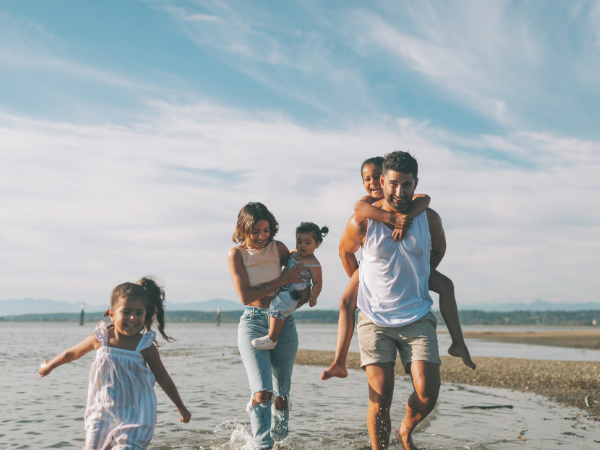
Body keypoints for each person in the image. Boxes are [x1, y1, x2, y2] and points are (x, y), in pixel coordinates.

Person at [328, 151, 464, 450]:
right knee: (381, 398)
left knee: (428, 394)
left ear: (416, 184)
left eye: (406, 184)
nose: (399, 191)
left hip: (417, 315)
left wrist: (419, 273)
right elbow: (344, 251)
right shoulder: (362, 222)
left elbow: (438, 250)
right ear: (381, 181)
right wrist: (365, 280)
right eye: (393, 184)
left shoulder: (428, 218)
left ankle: (405, 430)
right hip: (374, 320)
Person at [322, 156, 475, 382]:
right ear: (385, 181)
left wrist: (421, 272)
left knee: (446, 285)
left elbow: (425, 199)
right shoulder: (365, 205)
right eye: (368, 179)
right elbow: (357, 211)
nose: (373, 183)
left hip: (410, 271)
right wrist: (391, 220)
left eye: (376, 177)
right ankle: (339, 361)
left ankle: (458, 342)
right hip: (372, 270)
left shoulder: (416, 204)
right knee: (346, 303)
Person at [38, 277, 191, 450]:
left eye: (139, 313)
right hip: (102, 413)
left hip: (136, 416)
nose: (133, 317)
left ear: (145, 314)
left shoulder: (145, 346)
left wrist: (181, 407)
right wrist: (49, 365)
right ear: (112, 314)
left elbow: (163, 378)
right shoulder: (101, 339)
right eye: (126, 312)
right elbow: (72, 353)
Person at [228, 202, 310, 450]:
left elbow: (302, 276)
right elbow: (245, 296)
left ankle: (280, 442)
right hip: (252, 322)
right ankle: (262, 445)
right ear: (243, 229)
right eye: (255, 231)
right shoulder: (237, 254)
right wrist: (281, 281)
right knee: (263, 392)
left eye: (266, 230)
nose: (262, 236)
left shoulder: (280, 248)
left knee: (282, 395)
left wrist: (302, 295)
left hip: (283, 323)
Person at [252, 222, 327, 350]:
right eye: (299, 241)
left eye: (307, 243)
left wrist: (313, 296)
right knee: (274, 305)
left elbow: (318, 282)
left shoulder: (314, 264)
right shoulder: (293, 253)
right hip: (283, 286)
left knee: (278, 307)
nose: (302, 245)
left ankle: (271, 338)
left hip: (294, 292)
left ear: (317, 244)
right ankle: (271, 331)